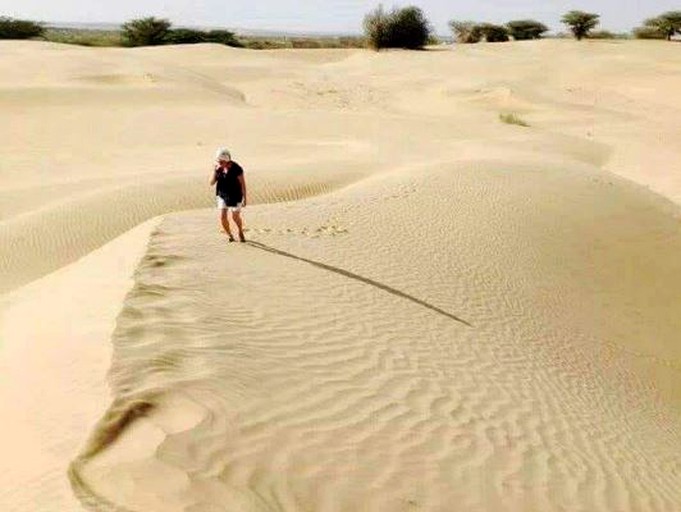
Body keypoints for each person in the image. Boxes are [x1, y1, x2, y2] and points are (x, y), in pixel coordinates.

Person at [210, 148, 247, 242]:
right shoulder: (218, 168)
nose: (219, 163)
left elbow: (243, 184)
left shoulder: (237, 168)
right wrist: (215, 171)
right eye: (218, 161)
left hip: (236, 195)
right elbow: (211, 183)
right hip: (222, 194)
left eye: (221, 161)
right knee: (223, 216)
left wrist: (245, 198)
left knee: (235, 216)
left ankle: (240, 230)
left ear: (227, 161)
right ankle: (230, 235)